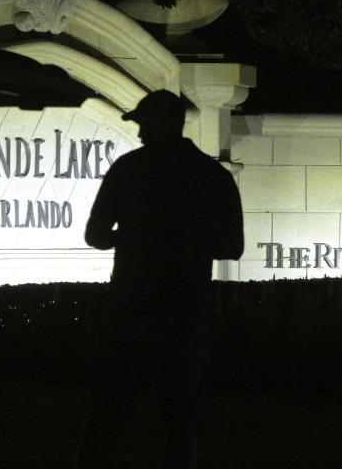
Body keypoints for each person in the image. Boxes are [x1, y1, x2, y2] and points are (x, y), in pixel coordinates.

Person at [74, 90, 244, 469]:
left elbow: (96, 235)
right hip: (186, 311)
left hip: (129, 309)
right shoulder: (213, 176)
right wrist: (190, 244)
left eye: (143, 125)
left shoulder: (129, 169)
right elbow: (232, 247)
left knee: (105, 412)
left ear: (159, 123)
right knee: (182, 418)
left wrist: (135, 238)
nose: (139, 134)